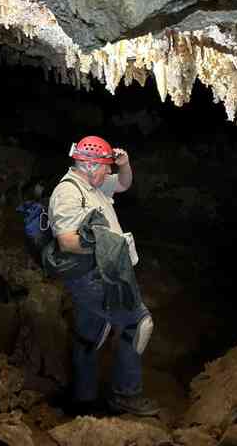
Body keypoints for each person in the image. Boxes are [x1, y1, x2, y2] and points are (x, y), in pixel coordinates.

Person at [48, 135, 159, 417]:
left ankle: (83, 399)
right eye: (104, 167)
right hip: (94, 277)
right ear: (87, 165)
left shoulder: (92, 183)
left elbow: (123, 183)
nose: (108, 173)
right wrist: (108, 243)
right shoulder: (69, 193)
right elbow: (66, 241)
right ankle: (126, 394)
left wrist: (124, 164)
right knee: (139, 323)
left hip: (100, 274)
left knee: (91, 335)